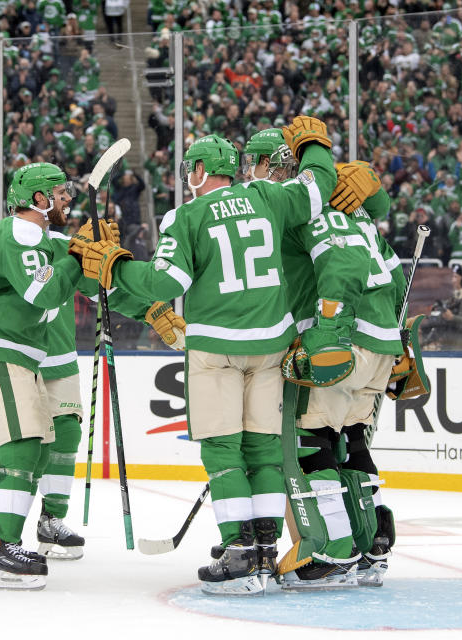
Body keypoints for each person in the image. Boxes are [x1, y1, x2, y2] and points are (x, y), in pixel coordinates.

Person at [69, 118, 338, 594]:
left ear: (199, 169)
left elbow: (166, 284)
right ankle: (264, 550)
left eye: (189, 168)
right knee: (264, 452)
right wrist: (315, 145)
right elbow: (318, 186)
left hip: (216, 348)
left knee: (223, 449)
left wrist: (115, 265)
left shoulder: (185, 217)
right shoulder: (267, 197)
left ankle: (239, 555)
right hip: (271, 346)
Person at [0, 163, 184, 581]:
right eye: (60, 194)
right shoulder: (16, 235)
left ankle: (11, 535)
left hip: (25, 349)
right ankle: (0, 549)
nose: (68, 201)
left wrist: (151, 309)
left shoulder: (43, 240)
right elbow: (43, 289)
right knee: (23, 441)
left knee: (42, 441)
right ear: (39, 199)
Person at [239, 133, 401, 588]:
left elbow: (339, 261)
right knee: (352, 440)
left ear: (281, 165)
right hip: (380, 339)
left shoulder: (305, 210)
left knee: (312, 442)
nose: (252, 171)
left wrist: (328, 328)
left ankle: (331, 550)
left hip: (339, 340)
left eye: (257, 162)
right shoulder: (358, 209)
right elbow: (393, 271)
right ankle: (369, 548)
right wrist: (398, 338)